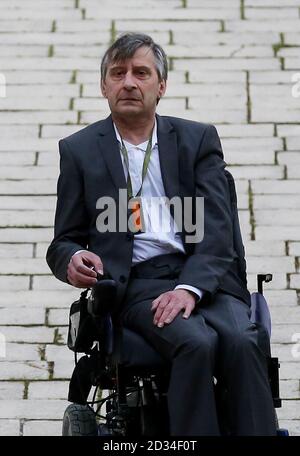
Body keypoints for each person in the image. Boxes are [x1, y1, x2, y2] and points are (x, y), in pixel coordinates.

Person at [46, 33, 276, 436]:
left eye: (141, 73)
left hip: (207, 275)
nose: (129, 83)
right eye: (118, 74)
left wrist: (189, 288)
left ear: (161, 85)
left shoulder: (196, 140)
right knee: (195, 342)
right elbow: (63, 240)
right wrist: (72, 261)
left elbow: (218, 231)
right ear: (104, 86)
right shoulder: (79, 150)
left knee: (243, 340)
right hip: (138, 283)